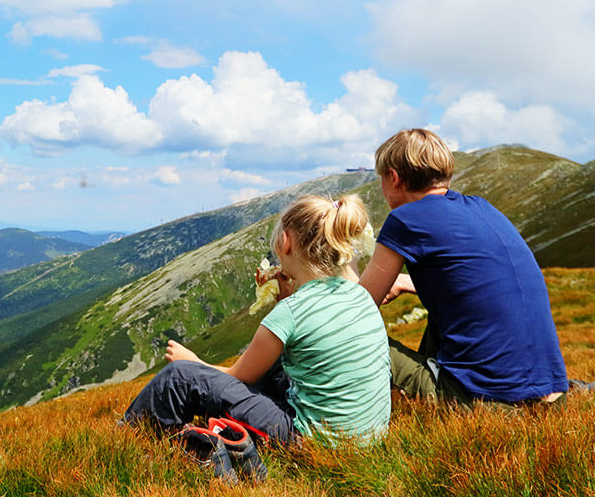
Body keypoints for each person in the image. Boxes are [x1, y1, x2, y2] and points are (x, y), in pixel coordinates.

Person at [123, 193, 391, 447]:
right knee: (276, 365)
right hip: (369, 439)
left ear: (286, 242)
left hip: (309, 443)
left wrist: (191, 360)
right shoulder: (359, 294)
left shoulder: (292, 311)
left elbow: (237, 376)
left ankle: (122, 440)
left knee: (179, 377)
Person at [356, 129, 569, 404]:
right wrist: (407, 283)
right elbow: (475, 281)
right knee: (441, 317)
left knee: (351, 340)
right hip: (553, 397)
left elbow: (356, 310)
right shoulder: (483, 207)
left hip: (486, 402)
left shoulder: (406, 219)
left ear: (394, 178)